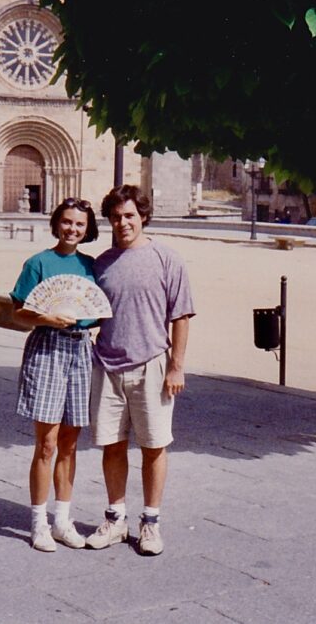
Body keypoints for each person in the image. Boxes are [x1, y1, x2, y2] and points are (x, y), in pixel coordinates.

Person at [86, 185, 194, 556]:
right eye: (116, 217)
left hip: (153, 364)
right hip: (108, 365)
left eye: (129, 215)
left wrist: (176, 367)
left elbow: (181, 316)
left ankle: (150, 523)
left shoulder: (167, 258)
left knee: (153, 446)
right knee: (112, 446)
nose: (123, 222)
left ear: (143, 216)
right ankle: (116, 519)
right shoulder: (101, 263)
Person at [10, 197, 100, 552]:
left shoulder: (91, 266)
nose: (72, 229)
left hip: (80, 349)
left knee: (70, 443)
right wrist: (46, 318)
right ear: (56, 223)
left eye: (79, 224)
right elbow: (18, 312)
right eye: (66, 222)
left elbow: (99, 310)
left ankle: (63, 520)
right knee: (46, 443)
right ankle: (39, 523)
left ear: (87, 228)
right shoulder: (38, 263)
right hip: (47, 347)